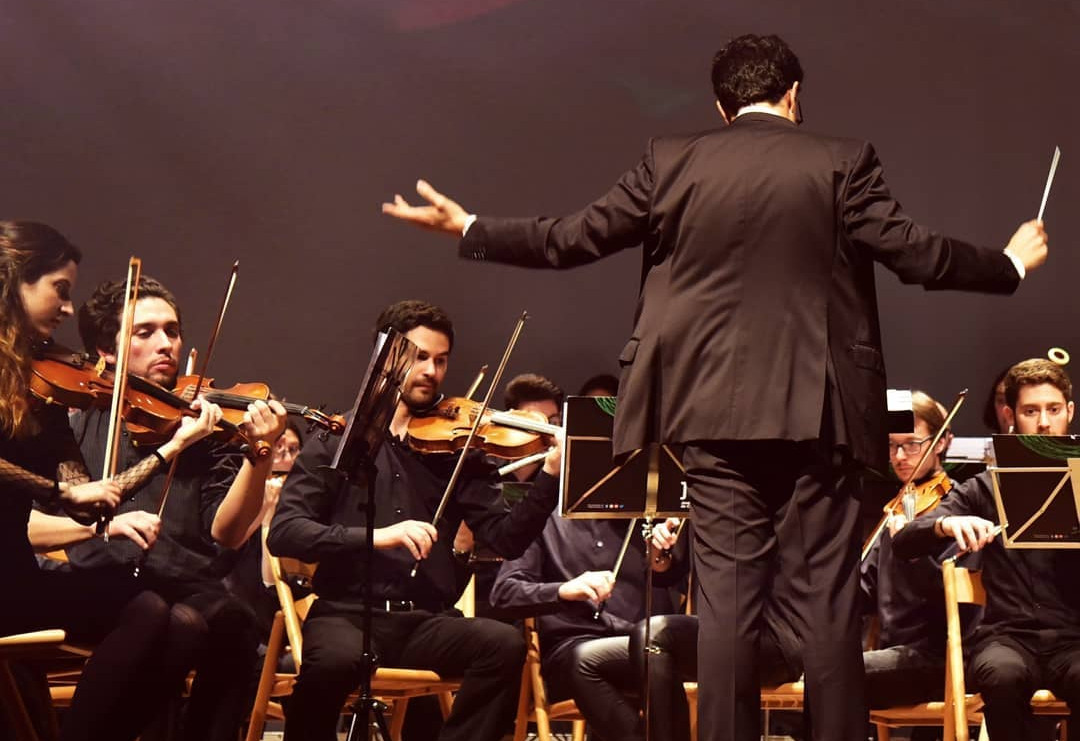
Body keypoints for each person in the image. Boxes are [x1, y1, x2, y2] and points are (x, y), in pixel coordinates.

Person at [381, 33, 1048, 741]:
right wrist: (1005, 264)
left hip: (706, 413)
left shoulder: (671, 160)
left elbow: (571, 237)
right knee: (825, 606)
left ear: (720, 105)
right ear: (793, 94)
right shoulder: (841, 161)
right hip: (817, 414)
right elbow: (915, 252)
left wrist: (472, 227)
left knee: (727, 610)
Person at [267, 300, 562, 741]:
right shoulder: (335, 440)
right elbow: (286, 533)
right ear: (385, 358)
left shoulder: (456, 450)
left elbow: (506, 539)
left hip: (422, 621)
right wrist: (380, 537)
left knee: (503, 645)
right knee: (332, 663)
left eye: (440, 360)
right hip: (346, 614)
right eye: (420, 357)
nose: (432, 371)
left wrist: (551, 477)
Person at [34, 274, 287, 741]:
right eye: (144, 332)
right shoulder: (75, 417)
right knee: (173, 619)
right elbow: (51, 512)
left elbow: (227, 533)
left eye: (171, 331)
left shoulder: (204, 426)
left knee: (234, 621)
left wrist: (260, 453)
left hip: (185, 583)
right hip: (104, 578)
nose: (165, 343)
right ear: (106, 353)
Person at [0, 220, 211, 741]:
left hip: (17, 579)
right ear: (14, 281)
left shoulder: (44, 387)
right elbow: (60, 492)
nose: (68, 309)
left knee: (172, 618)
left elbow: (89, 502)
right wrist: (56, 492)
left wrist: (171, 447)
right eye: (60, 291)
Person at [893, 358, 1080, 739]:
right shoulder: (983, 488)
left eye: (1054, 410)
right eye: (1031, 411)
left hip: (1074, 638)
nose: (1044, 423)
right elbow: (905, 539)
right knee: (1002, 674)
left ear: (1070, 412)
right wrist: (947, 523)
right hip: (1007, 638)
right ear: (1011, 415)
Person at [489, 511, 681, 741]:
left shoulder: (651, 519)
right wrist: (562, 591)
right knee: (586, 661)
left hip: (640, 646)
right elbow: (504, 593)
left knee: (658, 655)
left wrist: (661, 563)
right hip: (569, 652)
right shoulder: (544, 516)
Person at [860, 391, 962, 717]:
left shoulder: (957, 509)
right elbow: (865, 590)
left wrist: (912, 548)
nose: (900, 456)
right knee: (822, 663)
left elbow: (958, 603)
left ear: (942, 442)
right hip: (892, 652)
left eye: (912, 444)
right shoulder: (896, 508)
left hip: (939, 657)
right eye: (892, 446)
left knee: (835, 674)